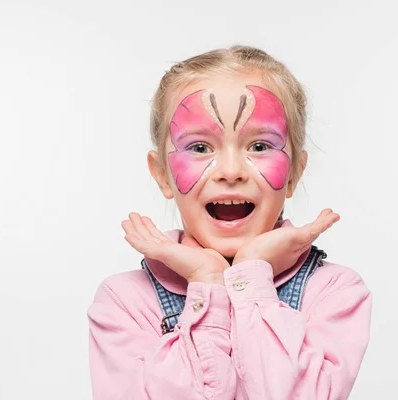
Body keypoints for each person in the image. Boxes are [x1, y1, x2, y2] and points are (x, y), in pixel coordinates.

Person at [87, 45, 372, 400]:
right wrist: (207, 283)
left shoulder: (333, 293)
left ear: (295, 172)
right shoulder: (126, 303)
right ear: (162, 175)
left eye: (260, 146)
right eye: (200, 148)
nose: (231, 172)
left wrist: (252, 278)